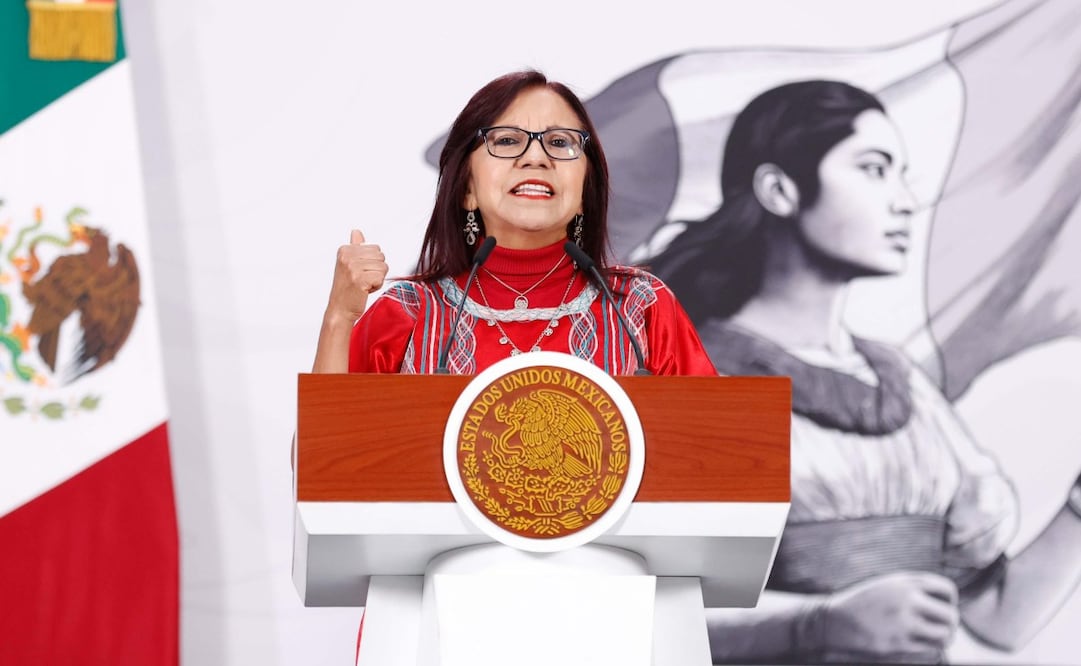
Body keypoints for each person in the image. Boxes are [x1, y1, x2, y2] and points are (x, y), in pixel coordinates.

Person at [648, 79, 1081, 663]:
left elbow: (995, 617)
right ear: (780, 190)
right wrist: (818, 626)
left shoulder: (898, 381)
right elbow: (651, 627)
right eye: (874, 170)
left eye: (903, 174)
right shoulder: (708, 378)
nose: (905, 200)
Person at [311, 69, 716, 378]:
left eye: (560, 143)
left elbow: (721, 453)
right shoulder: (409, 314)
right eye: (506, 140)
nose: (536, 158)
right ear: (466, 189)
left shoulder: (640, 309)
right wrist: (339, 317)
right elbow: (321, 472)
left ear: (583, 192)